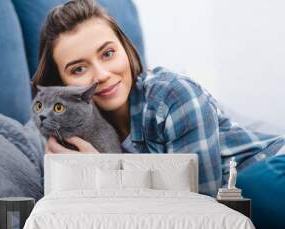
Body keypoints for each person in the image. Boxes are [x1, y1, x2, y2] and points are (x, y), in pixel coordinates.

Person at [31, 0, 285, 197]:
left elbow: (199, 207)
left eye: (108, 53)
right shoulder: (63, 133)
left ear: (126, 49)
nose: (102, 75)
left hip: (270, 172)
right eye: (78, 69)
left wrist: (103, 172)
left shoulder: (174, 96)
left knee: (252, 188)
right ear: (61, 85)